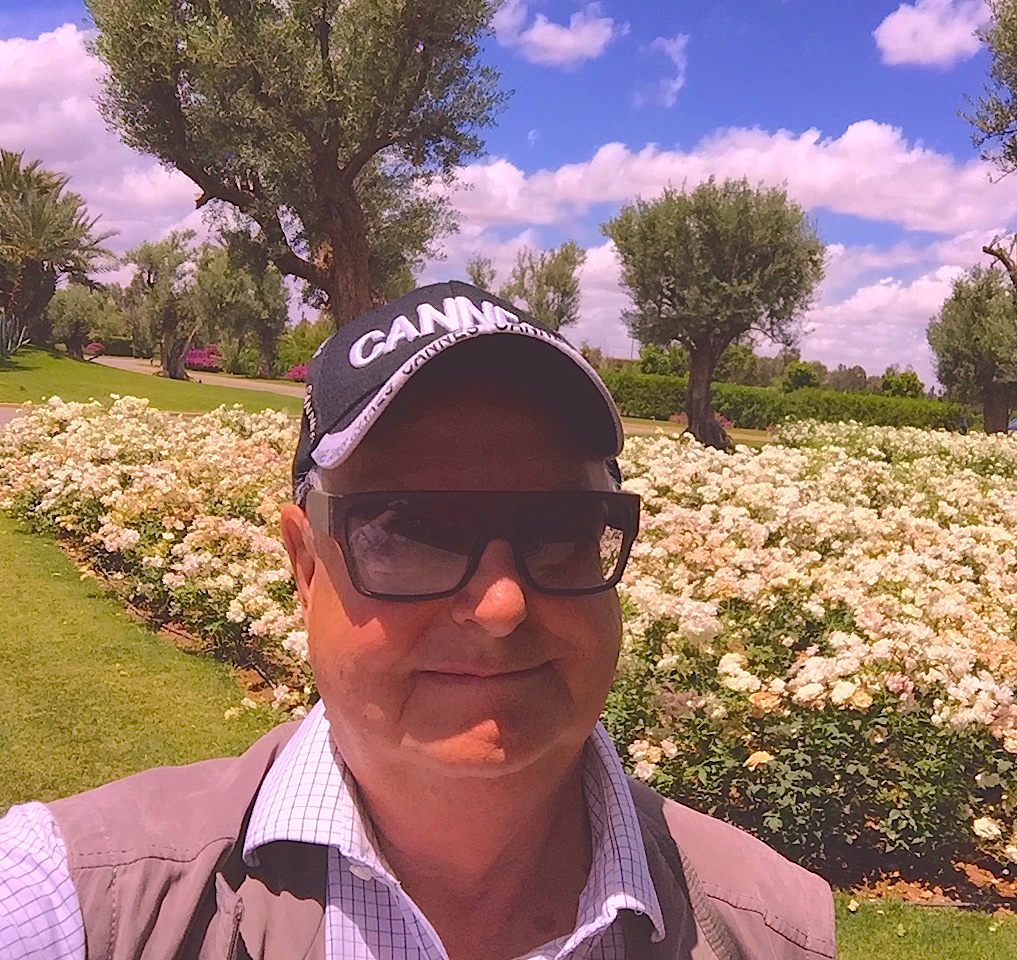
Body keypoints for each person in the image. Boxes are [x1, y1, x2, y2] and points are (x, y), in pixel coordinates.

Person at [0, 281, 834, 959]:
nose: (502, 605)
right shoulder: (90, 901)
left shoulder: (774, 929)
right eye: (410, 531)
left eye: (562, 531)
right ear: (304, 563)